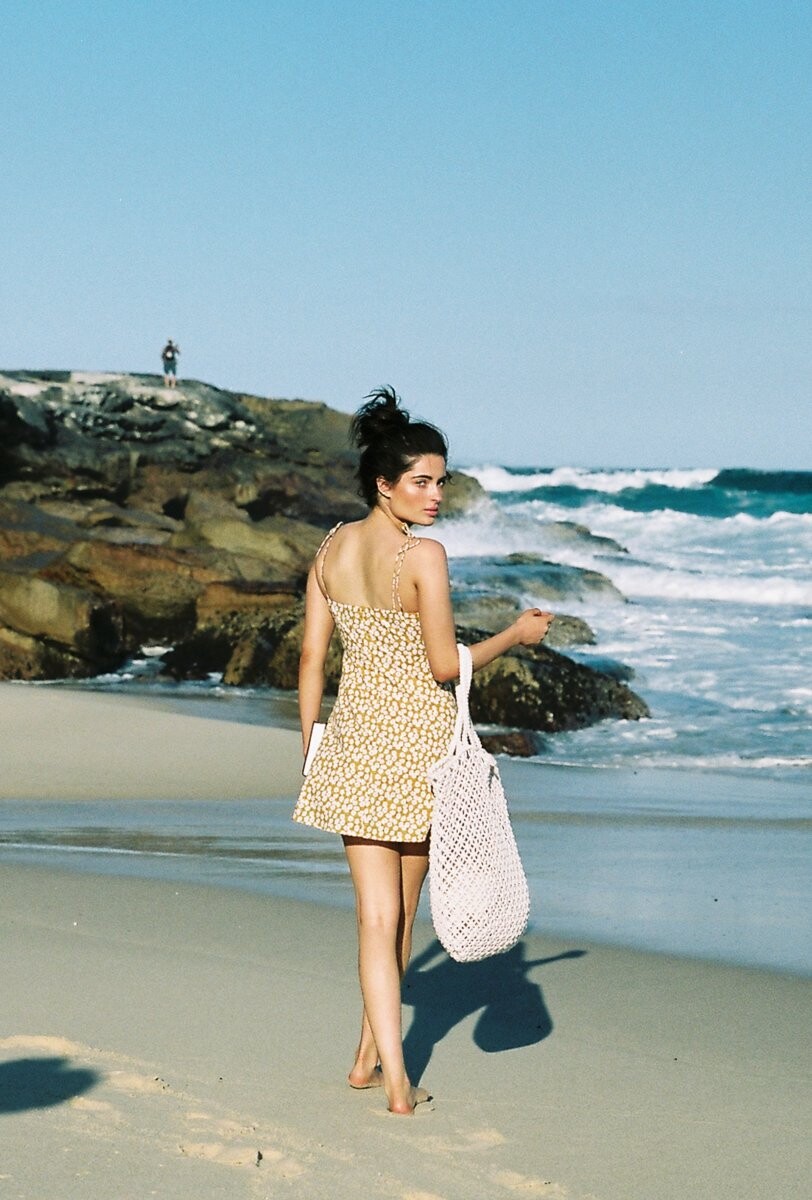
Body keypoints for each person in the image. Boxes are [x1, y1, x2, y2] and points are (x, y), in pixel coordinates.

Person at [292, 387, 553, 1115]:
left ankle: (367, 1060)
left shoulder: (331, 547)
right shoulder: (423, 556)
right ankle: (399, 1086)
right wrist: (515, 636)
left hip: (352, 747)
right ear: (385, 483)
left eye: (442, 481)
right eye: (422, 482)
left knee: (387, 919)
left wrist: (312, 749)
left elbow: (311, 659)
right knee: (396, 920)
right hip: (418, 754)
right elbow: (445, 665)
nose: (437, 495)